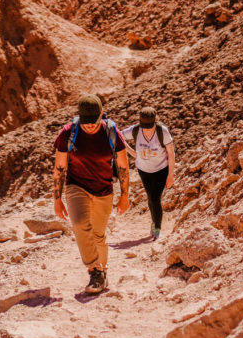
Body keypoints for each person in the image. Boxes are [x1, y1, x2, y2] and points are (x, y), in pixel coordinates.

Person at [53, 94, 129, 294]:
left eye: (93, 123)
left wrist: (125, 195)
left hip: (104, 189)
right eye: (85, 124)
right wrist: (57, 199)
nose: (89, 127)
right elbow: (60, 167)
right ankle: (95, 271)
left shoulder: (112, 132)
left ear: (101, 116)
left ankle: (102, 273)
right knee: (79, 225)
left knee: (98, 234)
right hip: (76, 185)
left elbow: (123, 165)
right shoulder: (67, 134)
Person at [122, 106, 175, 239]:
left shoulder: (162, 131)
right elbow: (118, 136)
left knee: (155, 198)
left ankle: (157, 228)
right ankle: (154, 222)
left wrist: (171, 175)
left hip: (161, 169)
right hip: (143, 170)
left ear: (155, 122)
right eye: (144, 126)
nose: (146, 129)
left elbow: (171, 153)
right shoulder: (135, 130)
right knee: (150, 197)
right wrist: (133, 153)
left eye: (149, 126)